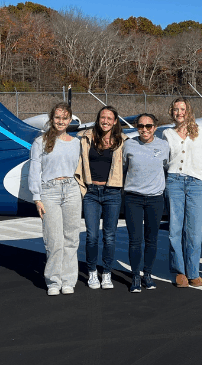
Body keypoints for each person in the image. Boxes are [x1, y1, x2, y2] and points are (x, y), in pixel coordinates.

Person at [28, 102, 82, 296]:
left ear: (70, 120)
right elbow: (35, 170)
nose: (61, 121)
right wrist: (37, 197)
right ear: (52, 120)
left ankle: (68, 280)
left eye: (64, 118)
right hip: (49, 192)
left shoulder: (76, 143)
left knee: (71, 238)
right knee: (53, 239)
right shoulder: (40, 142)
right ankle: (53, 280)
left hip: (71, 191)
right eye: (57, 118)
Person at [75, 105, 128, 290]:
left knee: (110, 236)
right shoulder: (85, 138)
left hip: (112, 193)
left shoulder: (122, 141)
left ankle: (106, 272)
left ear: (115, 121)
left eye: (109, 118)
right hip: (91, 192)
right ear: (98, 119)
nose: (105, 121)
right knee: (91, 236)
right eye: (102, 117)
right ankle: (91, 272)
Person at [163, 98, 202, 287]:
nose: (179, 112)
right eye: (175, 109)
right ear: (171, 112)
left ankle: (193, 270)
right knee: (175, 228)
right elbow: (164, 159)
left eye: (182, 109)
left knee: (195, 230)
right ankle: (179, 271)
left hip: (196, 183)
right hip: (174, 182)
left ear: (188, 111)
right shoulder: (167, 133)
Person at [122, 114, 170, 293]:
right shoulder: (129, 144)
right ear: (136, 127)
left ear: (155, 128)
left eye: (148, 126)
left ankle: (147, 273)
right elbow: (124, 167)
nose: (145, 129)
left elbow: (165, 166)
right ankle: (135, 275)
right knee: (135, 240)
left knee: (152, 240)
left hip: (155, 199)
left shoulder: (163, 146)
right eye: (141, 126)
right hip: (133, 198)